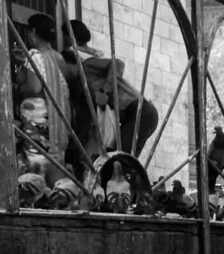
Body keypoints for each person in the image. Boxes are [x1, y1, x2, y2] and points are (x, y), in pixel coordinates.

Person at [69, 20, 160, 156]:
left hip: (140, 112)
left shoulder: (87, 66)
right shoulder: (81, 87)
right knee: (120, 157)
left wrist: (105, 90)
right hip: (134, 116)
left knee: (120, 158)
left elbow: (117, 64)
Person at [16, 14, 71, 186]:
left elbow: (34, 87)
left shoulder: (36, 57)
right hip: (56, 123)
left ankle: (37, 196)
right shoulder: (59, 58)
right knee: (53, 164)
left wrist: (15, 86)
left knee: (36, 162)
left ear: (33, 32)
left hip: (38, 123)